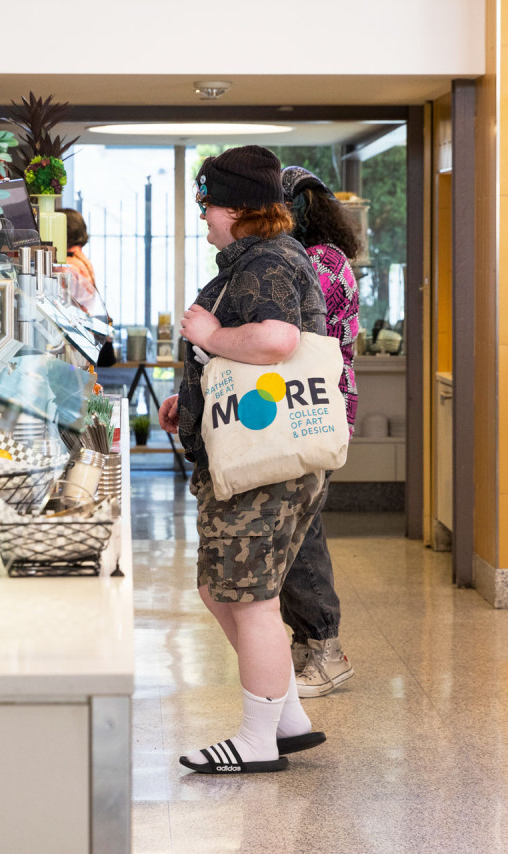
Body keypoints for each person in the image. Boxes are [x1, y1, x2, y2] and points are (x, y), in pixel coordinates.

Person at [158, 145, 329, 774]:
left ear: (235, 207)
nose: (202, 216)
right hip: (256, 459)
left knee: (251, 597)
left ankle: (259, 740)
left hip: (263, 468)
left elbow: (278, 340)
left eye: (206, 203)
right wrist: (196, 394)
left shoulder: (265, 263)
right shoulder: (261, 260)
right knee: (218, 587)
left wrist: (208, 336)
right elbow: (248, 359)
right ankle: (287, 717)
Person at [278, 165, 360, 697]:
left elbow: (297, 339)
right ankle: (308, 645)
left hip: (314, 404)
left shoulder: (316, 264)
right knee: (298, 524)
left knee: (302, 530)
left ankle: (325, 647)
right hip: (321, 401)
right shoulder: (333, 259)